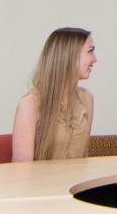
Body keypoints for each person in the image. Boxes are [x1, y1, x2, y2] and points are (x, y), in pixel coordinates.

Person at [12, 28, 97, 162]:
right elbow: (21, 170)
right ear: (69, 56)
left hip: (76, 182)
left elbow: (83, 158)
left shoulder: (87, 99)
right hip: (41, 182)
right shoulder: (30, 104)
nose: (95, 59)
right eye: (90, 51)